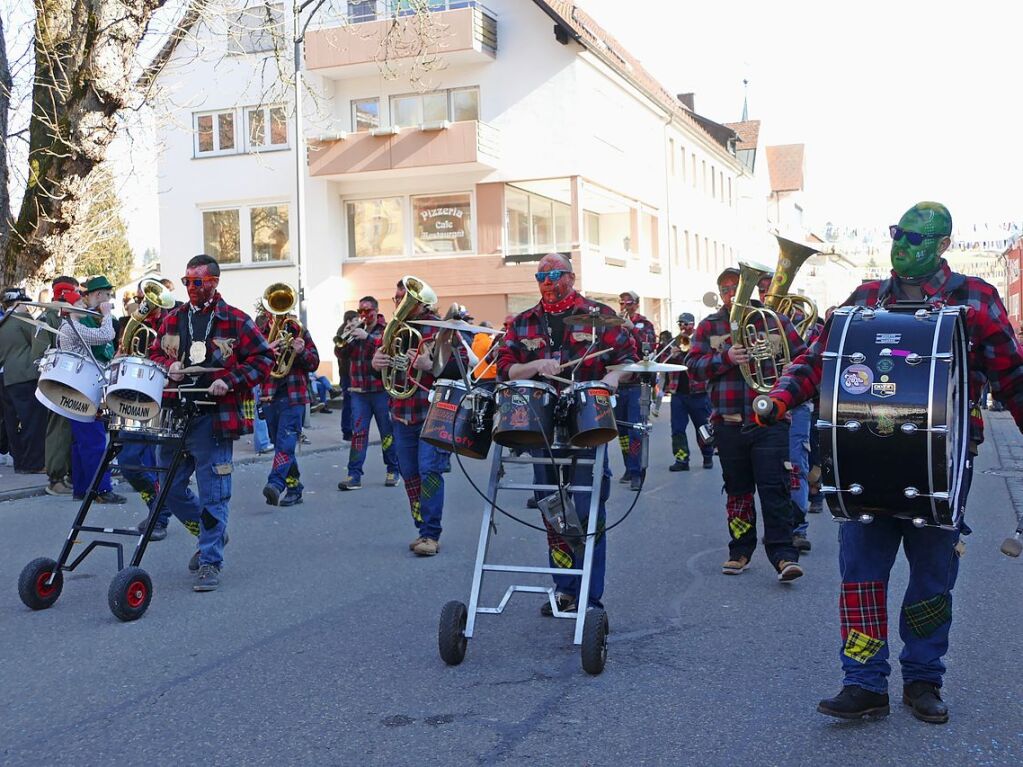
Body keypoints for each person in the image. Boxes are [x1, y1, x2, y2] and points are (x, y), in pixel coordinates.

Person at [758, 201, 1023, 724]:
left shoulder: (976, 298)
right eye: (899, 234)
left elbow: (1012, 377)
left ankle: (923, 680)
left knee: (932, 576)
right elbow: (815, 357)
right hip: (860, 457)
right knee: (860, 574)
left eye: (919, 238)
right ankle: (864, 683)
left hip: (939, 464)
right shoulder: (862, 299)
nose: (904, 246)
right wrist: (779, 399)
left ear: (943, 244)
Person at [498, 253, 635, 614]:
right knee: (553, 509)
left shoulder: (599, 317)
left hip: (586, 422)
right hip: (540, 427)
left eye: (555, 273)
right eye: (541, 274)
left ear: (571, 277)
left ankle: (590, 594)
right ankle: (565, 589)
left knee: (588, 508)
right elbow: (505, 369)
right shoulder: (523, 322)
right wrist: (533, 365)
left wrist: (612, 379)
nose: (548, 279)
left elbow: (629, 360)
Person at [149, 254, 273, 591]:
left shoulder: (235, 319)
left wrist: (230, 381)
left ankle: (210, 561)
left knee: (214, 493)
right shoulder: (173, 318)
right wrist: (166, 365)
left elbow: (264, 359)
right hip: (175, 415)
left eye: (197, 282)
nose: (191, 287)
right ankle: (211, 533)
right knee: (169, 490)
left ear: (214, 283)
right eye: (187, 281)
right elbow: (154, 353)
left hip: (213, 419)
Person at [685, 267, 806, 581]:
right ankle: (739, 551)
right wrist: (725, 358)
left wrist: (790, 367)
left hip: (770, 418)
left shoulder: (772, 319)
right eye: (725, 288)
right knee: (738, 492)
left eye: (737, 287)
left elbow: (806, 360)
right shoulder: (709, 325)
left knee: (775, 489)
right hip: (728, 422)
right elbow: (693, 368)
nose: (731, 293)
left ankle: (783, 556)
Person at [371, 280, 452, 556]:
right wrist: (376, 364)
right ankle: (423, 529)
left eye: (403, 299)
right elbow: (384, 371)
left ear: (420, 302)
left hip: (432, 412)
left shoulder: (441, 329)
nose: (398, 304)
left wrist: (431, 366)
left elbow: (464, 367)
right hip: (401, 412)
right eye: (395, 299)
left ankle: (431, 533)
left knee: (429, 470)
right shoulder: (390, 331)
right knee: (410, 474)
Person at [755, 272, 813, 554]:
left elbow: (807, 359)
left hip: (795, 405)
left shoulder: (796, 319)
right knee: (768, 471)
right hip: (764, 403)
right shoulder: (750, 322)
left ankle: (798, 529)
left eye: (774, 289)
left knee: (795, 466)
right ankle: (777, 529)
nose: (769, 295)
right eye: (764, 290)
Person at [57, 277, 126, 503]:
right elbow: (105, 336)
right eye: (79, 305)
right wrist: (106, 315)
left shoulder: (71, 326)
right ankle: (101, 490)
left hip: (76, 388)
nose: (84, 307)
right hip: (84, 387)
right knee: (94, 440)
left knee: (82, 441)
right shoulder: (73, 326)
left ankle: (82, 488)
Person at [255, 303, 320, 507]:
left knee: (286, 441)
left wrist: (300, 352)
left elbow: (314, 363)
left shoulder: (299, 331)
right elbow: (250, 363)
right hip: (269, 396)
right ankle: (295, 487)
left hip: (294, 397)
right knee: (280, 444)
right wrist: (267, 352)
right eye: (271, 309)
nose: (276, 314)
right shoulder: (259, 333)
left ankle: (275, 484)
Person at [338, 296, 399, 491]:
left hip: (380, 390)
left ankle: (393, 470)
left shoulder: (386, 329)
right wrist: (346, 336)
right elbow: (341, 354)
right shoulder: (355, 330)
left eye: (367, 311)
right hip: (358, 391)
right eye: (360, 311)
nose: (363, 315)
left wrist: (368, 338)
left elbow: (389, 351)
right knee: (358, 434)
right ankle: (353, 475)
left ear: (376, 310)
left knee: (387, 433)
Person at [0, 288, 49, 474]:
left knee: (13, 423)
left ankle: (20, 463)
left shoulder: (3, 323)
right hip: (26, 376)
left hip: (7, 377)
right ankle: (34, 464)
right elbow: (40, 344)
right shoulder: (24, 320)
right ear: (19, 303)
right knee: (33, 422)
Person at [615, 290, 656, 490]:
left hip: (637, 384)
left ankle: (637, 472)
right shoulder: (615, 323)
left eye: (629, 303)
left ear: (637, 304)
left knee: (635, 431)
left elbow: (648, 347)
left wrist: (632, 329)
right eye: (622, 303)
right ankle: (629, 466)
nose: (625, 306)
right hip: (619, 383)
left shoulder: (645, 325)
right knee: (621, 431)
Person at [41, 277, 78, 494]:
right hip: (57, 380)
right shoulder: (50, 317)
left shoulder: (60, 315)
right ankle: (55, 479)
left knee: (68, 430)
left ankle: (67, 475)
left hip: (69, 379)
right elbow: (41, 353)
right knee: (59, 429)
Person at [667, 312, 713, 472]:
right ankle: (681, 459)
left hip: (698, 392)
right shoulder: (675, 341)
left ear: (693, 324)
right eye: (680, 324)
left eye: (686, 324)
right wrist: (671, 355)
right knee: (677, 429)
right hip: (678, 392)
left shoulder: (700, 340)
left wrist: (683, 354)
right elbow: (663, 363)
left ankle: (708, 456)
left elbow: (702, 360)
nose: (683, 327)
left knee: (703, 427)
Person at [334, 310, 357, 441]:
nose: (358, 322)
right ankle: (347, 430)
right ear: (349, 321)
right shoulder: (344, 332)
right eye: (355, 320)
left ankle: (350, 429)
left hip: (348, 373)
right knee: (348, 403)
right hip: (347, 373)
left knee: (351, 403)